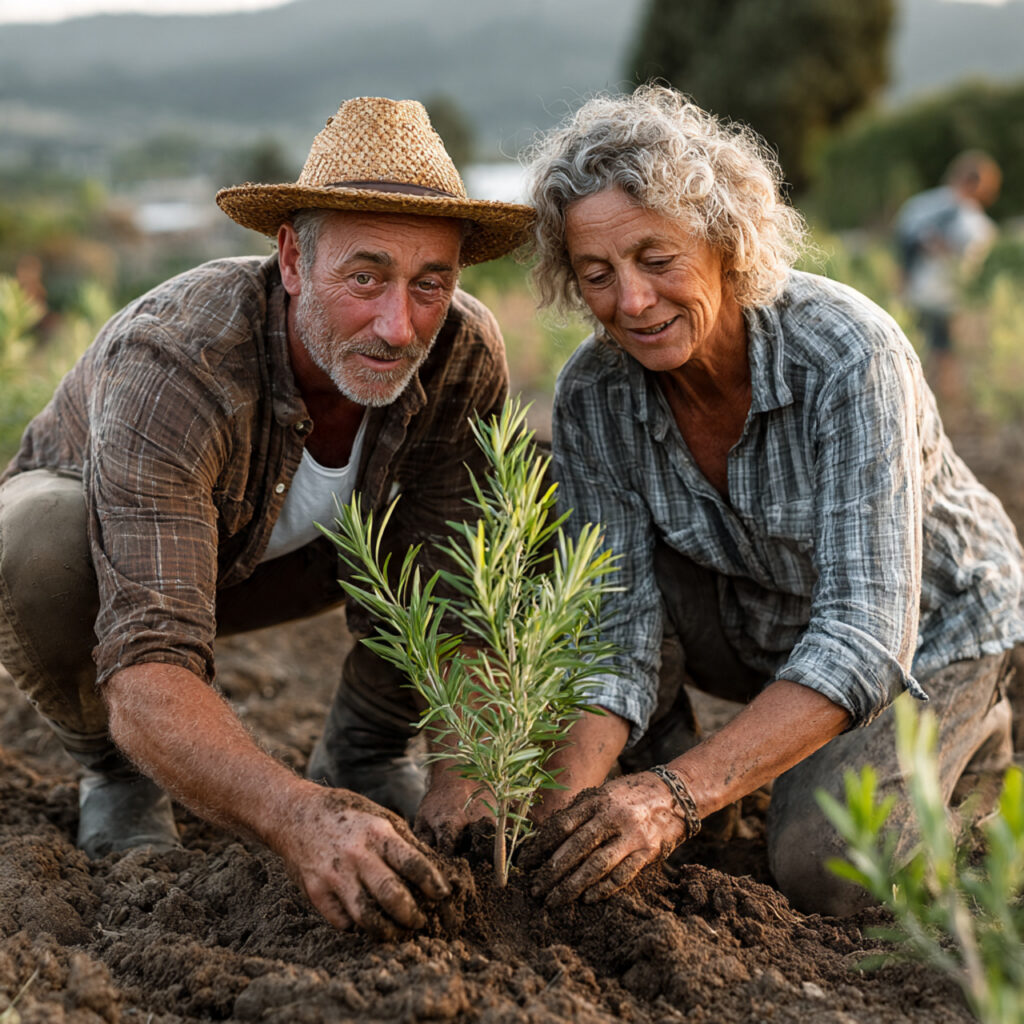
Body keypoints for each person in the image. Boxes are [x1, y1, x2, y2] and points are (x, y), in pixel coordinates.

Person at [0, 96, 533, 938]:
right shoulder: (178, 360)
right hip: (118, 577)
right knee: (38, 539)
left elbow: (455, 594)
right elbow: (147, 662)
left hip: (288, 563)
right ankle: (115, 773)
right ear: (291, 259)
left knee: (491, 532)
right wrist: (298, 818)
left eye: (430, 284)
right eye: (365, 277)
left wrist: (465, 777)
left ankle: (366, 747)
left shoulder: (462, 351)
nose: (399, 325)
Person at [518, 86, 1023, 917]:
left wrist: (671, 797)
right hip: (771, 618)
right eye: (597, 274)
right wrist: (559, 804)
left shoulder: (846, 356)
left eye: (657, 258)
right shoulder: (595, 394)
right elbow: (615, 626)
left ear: (725, 241)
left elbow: (864, 632)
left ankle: (976, 754)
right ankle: (723, 781)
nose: (631, 302)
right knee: (583, 592)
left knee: (832, 867)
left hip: (930, 627)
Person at [894, 150, 1002, 400]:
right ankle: (943, 403)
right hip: (946, 295)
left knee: (916, 349)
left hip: (919, 291)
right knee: (944, 353)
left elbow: (903, 249)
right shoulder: (974, 221)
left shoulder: (919, 206)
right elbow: (973, 260)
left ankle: (919, 399)